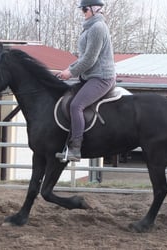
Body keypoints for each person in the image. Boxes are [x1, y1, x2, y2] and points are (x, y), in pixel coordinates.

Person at [58, 0, 116, 161]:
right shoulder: (89, 28)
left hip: (102, 77)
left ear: (94, 9)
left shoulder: (98, 28)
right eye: (82, 10)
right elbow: (83, 57)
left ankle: (76, 148)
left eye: (84, 9)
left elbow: (90, 59)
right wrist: (68, 69)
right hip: (90, 76)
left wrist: (70, 73)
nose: (82, 12)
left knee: (77, 105)